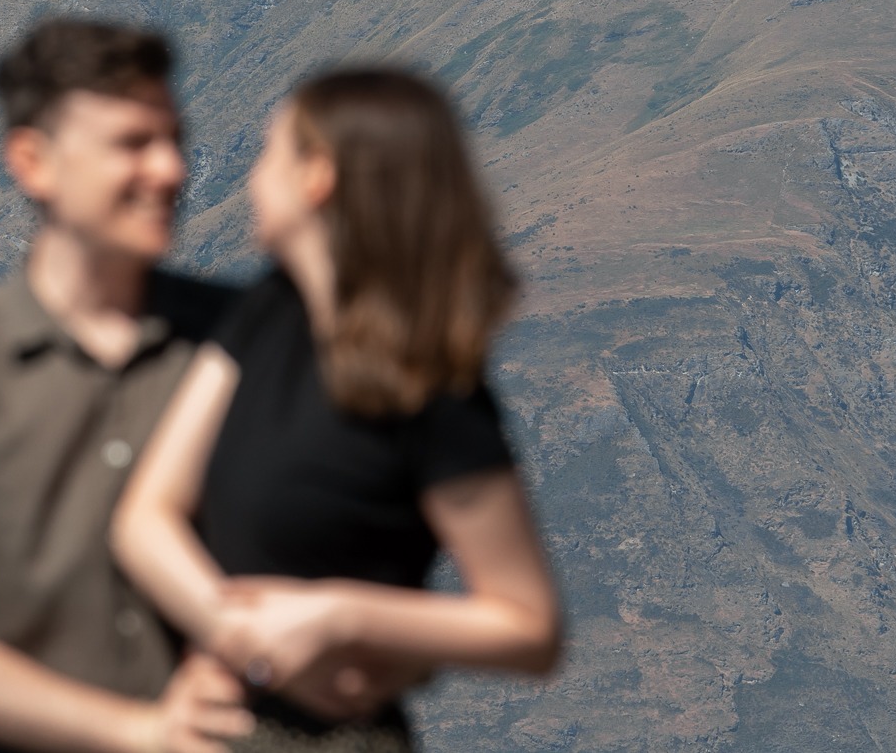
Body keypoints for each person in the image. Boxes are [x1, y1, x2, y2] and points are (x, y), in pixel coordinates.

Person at [111, 67, 562, 750]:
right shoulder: (267, 315)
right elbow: (146, 514)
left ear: (317, 175)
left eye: (270, 150)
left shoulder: (429, 391)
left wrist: (340, 616)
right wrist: (254, 646)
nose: (251, 175)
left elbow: (530, 626)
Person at [0, 16, 257, 753]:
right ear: (34, 161)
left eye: (174, 139)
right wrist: (140, 732)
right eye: (132, 144)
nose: (170, 169)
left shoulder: (247, 342)